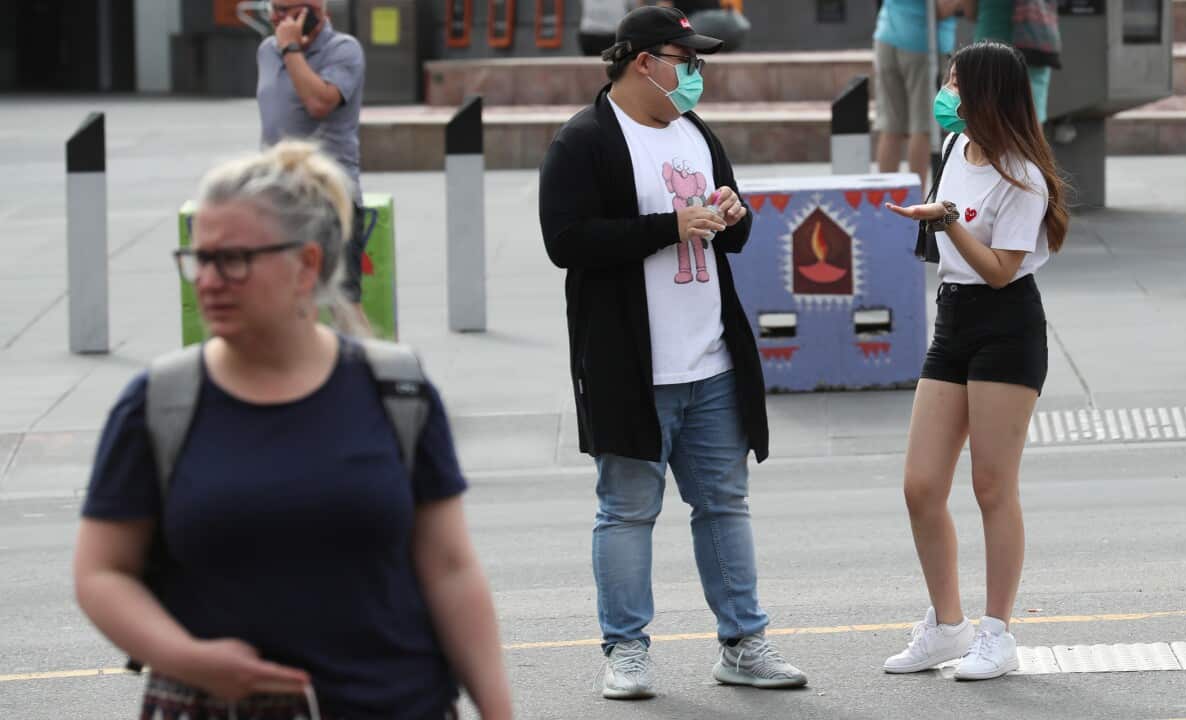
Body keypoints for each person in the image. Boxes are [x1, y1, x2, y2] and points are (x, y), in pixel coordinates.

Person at [73, 141, 514, 719]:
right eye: (199, 258)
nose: (207, 280)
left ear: (306, 264)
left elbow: (451, 569)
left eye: (231, 259)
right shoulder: (157, 404)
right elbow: (102, 572)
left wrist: (499, 712)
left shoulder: (397, 391)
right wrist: (188, 658)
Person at [538, 4, 807, 701]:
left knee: (725, 504)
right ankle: (626, 650)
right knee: (626, 509)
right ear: (643, 63)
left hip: (711, 360)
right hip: (632, 364)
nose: (696, 76)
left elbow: (729, 230)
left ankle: (744, 643)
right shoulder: (586, 140)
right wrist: (667, 226)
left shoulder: (694, 134)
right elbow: (565, 241)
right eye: (687, 63)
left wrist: (733, 215)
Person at [882, 41, 1069, 681]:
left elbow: (997, 271)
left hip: (1006, 324)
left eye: (957, 84)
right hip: (953, 319)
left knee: (992, 486)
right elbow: (953, 263)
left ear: (987, 94)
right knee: (921, 485)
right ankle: (945, 625)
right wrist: (940, 223)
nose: (947, 92)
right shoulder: (955, 151)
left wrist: (946, 221)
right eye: (947, 80)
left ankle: (998, 633)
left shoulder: (1024, 176)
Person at [257, 0, 368, 306]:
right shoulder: (267, 50)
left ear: (313, 13)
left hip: (330, 196)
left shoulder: (344, 49)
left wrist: (292, 50)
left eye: (287, 11)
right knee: (280, 301)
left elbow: (319, 103)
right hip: (279, 195)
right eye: (274, 9)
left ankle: (360, 355)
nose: (277, 18)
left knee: (343, 303)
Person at [873, 0, 964, 187]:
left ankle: (885, 202)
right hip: (923, 44)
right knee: (922, 127)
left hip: (886, 37)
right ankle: (915, 202)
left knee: (891, 128)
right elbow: (942, 8)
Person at [960, 0, 1061, 123]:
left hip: (990, 44)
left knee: (988, 121)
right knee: (1031, 119)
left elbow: (970, 12)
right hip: (1034, 44)